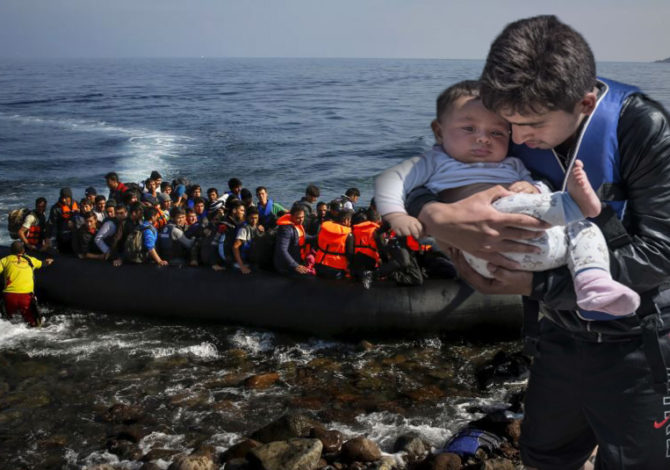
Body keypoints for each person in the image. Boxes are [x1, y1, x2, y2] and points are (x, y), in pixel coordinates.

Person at [409, 15, 670, 469]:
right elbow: (426, 173)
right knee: (543, 454)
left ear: (584, 103)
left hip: (638, 343)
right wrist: (433, 213)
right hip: (557, 336)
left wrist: (535, 285)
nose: (517, 138)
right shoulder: (512, 115)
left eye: (531, 125)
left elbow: (661, 253)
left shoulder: (643, 127)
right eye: (508, 123)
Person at [375, 80, 639, 316]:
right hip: (485, 250)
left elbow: (539, 188)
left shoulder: (513, 164)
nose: (483, 139)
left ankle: (593, 283)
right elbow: (391, 179)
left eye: (497, 133)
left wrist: (533, 188)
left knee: (585, 229)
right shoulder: (434, 160)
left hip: (542, 248)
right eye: (469, 128)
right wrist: (397, 214)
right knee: (506, 202)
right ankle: (575, 204)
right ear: (439, 131)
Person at [0, 241, 53, 326]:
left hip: (9, 296)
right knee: (34, 324)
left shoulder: (5, 260)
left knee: (7, 322)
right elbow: (44, 263)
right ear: (23, 250)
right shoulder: (30, 260)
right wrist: (49, 261)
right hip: (26, 297)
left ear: (11, 251)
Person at [313, 209, 354, 280]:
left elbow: (316, 245)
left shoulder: (323, 228)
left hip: (319, 263)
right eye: (350, 220)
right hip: (336, 267)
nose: (350, 223)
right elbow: (349, 254)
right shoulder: (348, 235)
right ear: (346, 220)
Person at [273, 205, 313, 276]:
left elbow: (304, 237)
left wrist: (318, 237)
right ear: (291, 216)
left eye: (302, 217)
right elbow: (282, 250)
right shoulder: (285, 229)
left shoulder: (297, 224)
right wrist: (295, 265)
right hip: (286, 266)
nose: (301, 219)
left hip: (296, 260)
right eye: (298, 218)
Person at [48, 187, 80, 254]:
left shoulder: (77, 204)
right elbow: (53, 227)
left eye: (66, 198)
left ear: (70, 197)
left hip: (75, 234)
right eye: (62, 198)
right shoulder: (55, 208)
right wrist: (53, 245)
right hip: (63, 236)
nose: (64, 200)